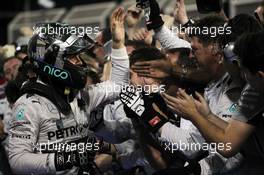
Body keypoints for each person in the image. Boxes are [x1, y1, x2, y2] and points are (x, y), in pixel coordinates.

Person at [8, 7, 129, 175]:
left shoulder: (82, 95)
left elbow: (119, 85)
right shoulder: (29, 105)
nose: (80, 62)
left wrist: (118, 43)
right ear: (53, 62)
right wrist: (66, 158)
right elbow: (17, 160)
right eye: (73, 57)